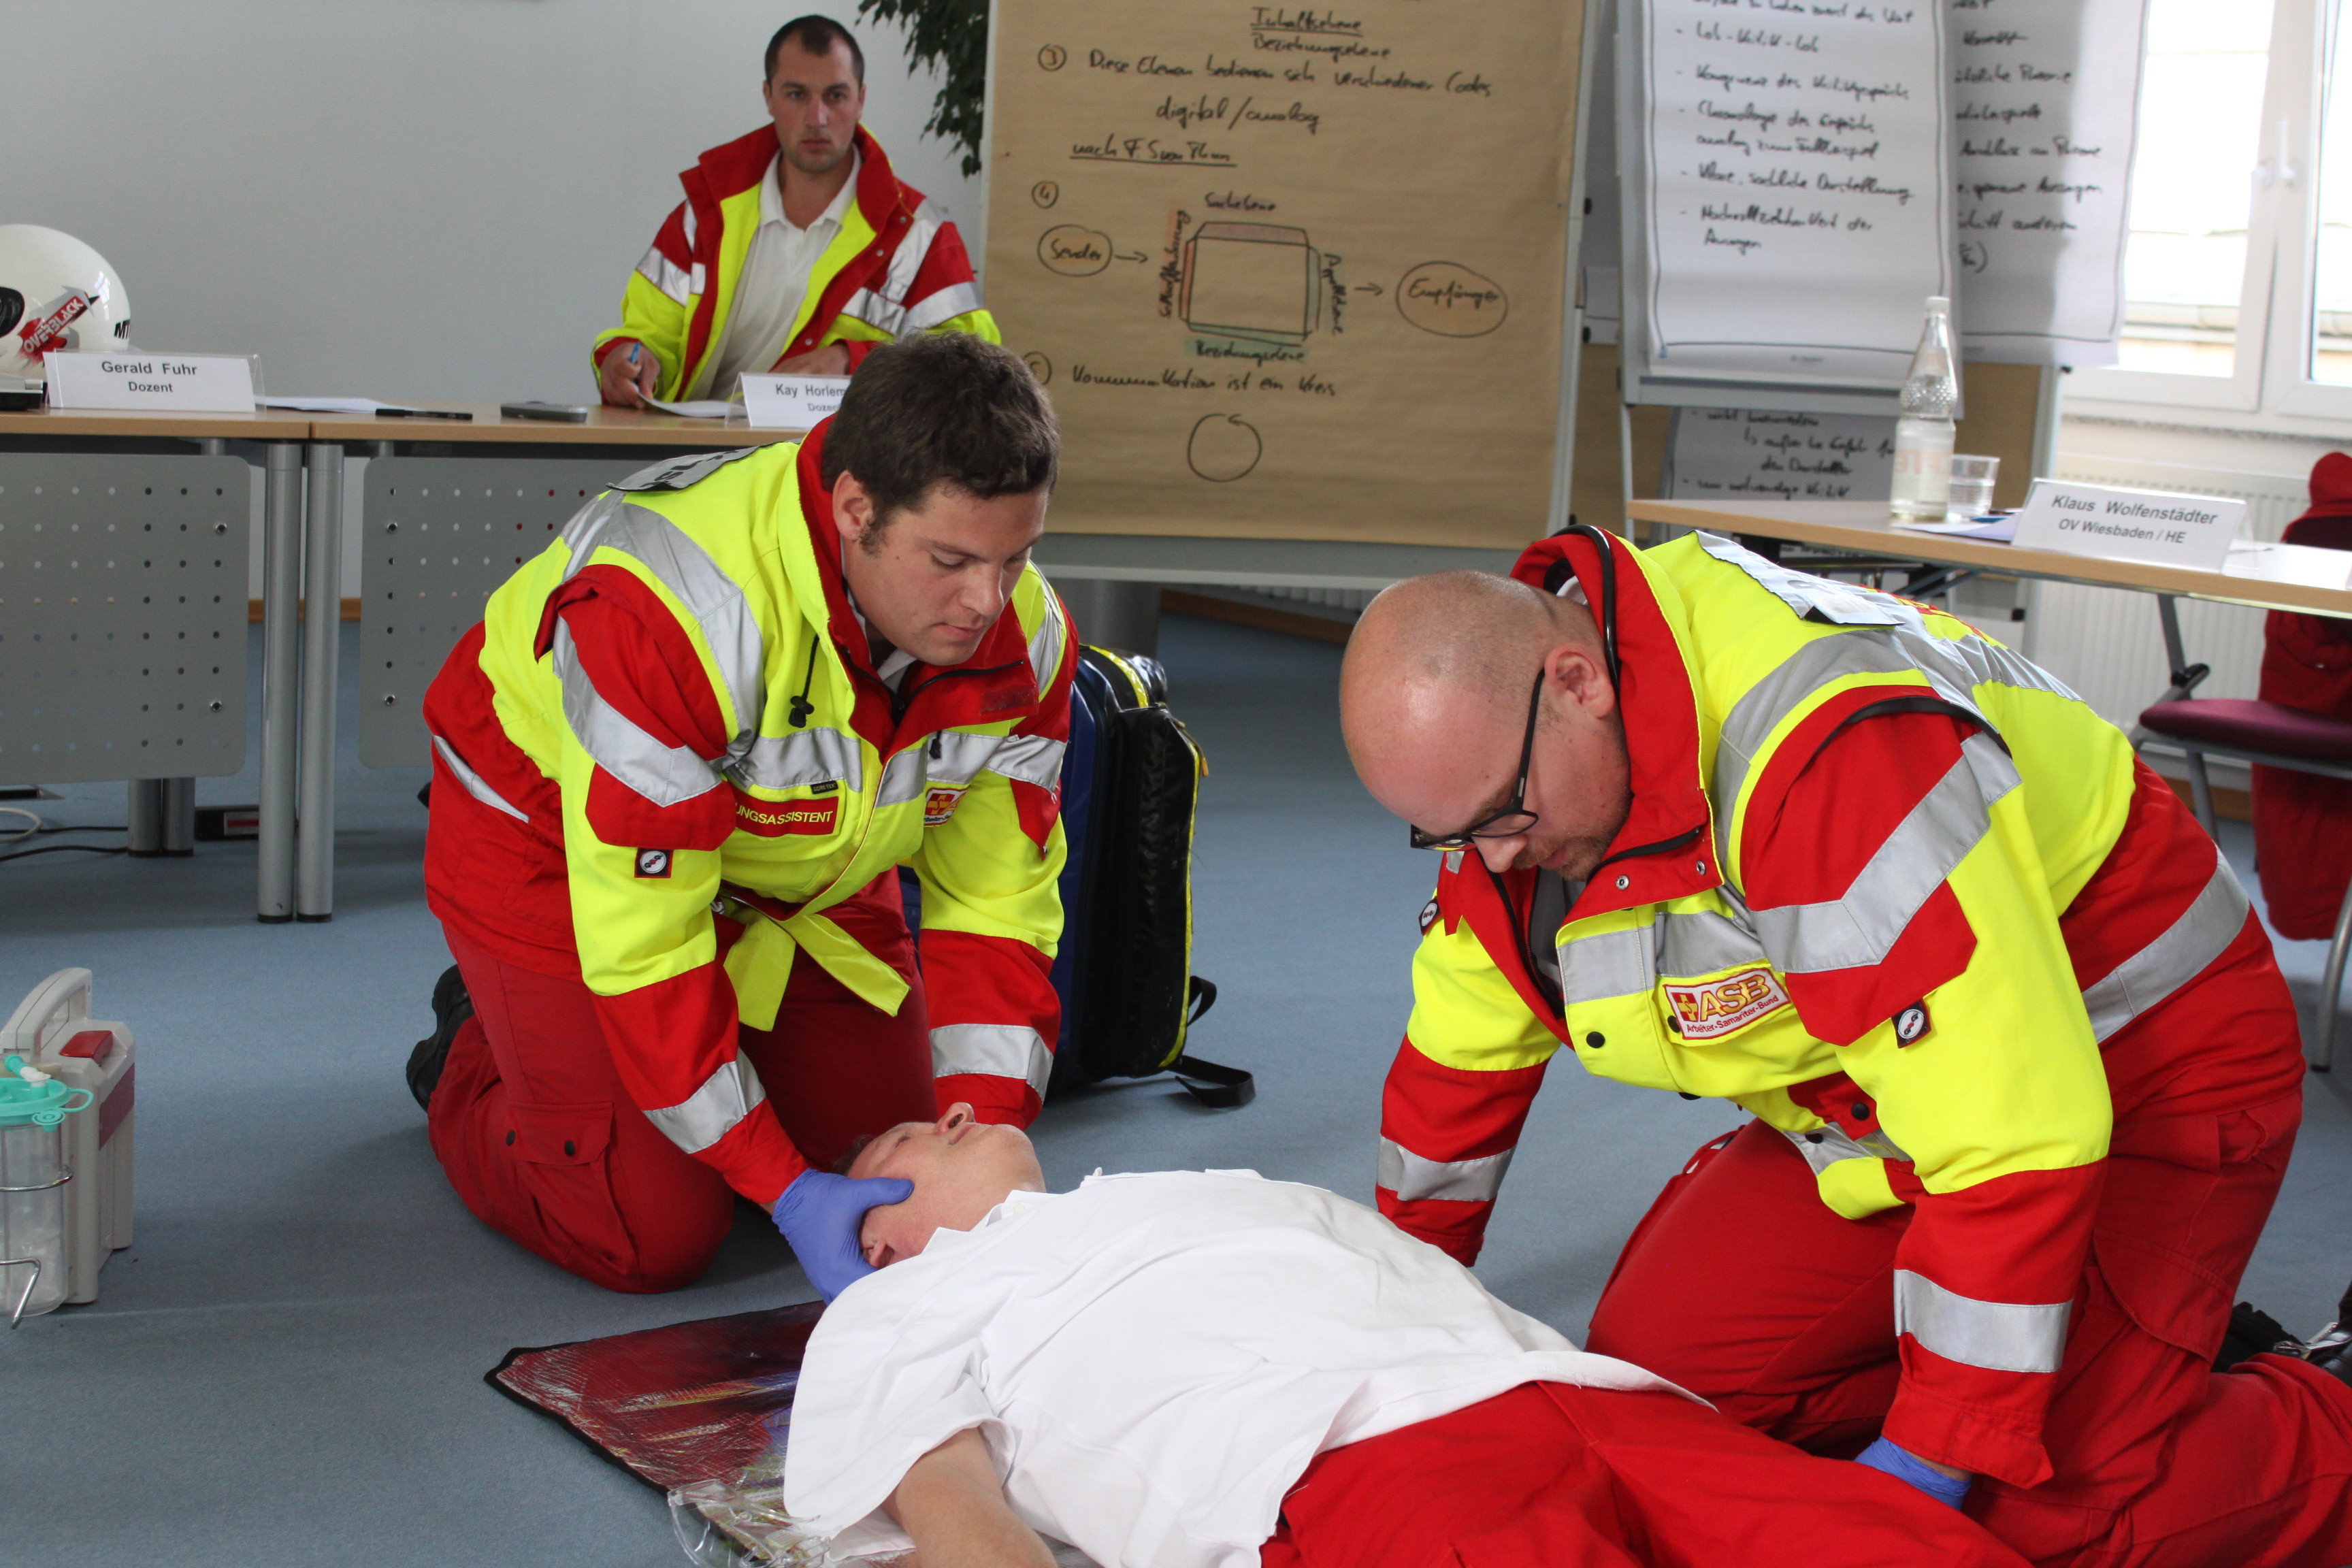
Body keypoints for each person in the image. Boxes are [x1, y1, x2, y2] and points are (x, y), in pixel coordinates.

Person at [1336, 527, 2352, 1567]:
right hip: (1882, 1098)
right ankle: (2115, 1352)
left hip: (2141, 1061)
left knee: (2035, 1521)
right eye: (1453, 837)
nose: (1494, 857)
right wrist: (1408, 1304)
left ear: (1579, 681)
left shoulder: (1830, 753)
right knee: (1675, 1391)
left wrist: (1935, 1453)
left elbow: (2013, 1136)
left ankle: (2318, 1412)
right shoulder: (1515, 781)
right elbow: (1460, 1065)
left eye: (1505, 816)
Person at [406, 333, 1075, 1299]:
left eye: (1017, 557)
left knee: (890, 1160)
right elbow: (644, 940)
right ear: (856, 508)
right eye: (953, 559)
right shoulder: (671, 608)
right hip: (550, 843)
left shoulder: (1028, 637)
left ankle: (662, 1062)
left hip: (797, 867)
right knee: (652, 1232)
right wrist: (780, 1182)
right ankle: (477, 1047)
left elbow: (998, 903)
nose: (989, 603)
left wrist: (980, 1134)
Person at [779, 1107, 2034, 1568]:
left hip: (1591, 1396)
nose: (950, 1108)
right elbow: (954, 1514)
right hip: (1350, 1463)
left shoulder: (1206, 1182)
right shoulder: (896, 1303)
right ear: (876, 1238)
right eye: (907, 1141)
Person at [593, 14, 996, 408]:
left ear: (861, 100)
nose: (817, 118)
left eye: (836, 96)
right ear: (768, 96)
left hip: (839, 465)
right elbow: (647, 336)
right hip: (694, 454)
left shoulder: (919, 232)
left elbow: (974, 366)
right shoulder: (704, 213)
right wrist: (625, 359)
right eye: (797, 95)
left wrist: (853, 361)